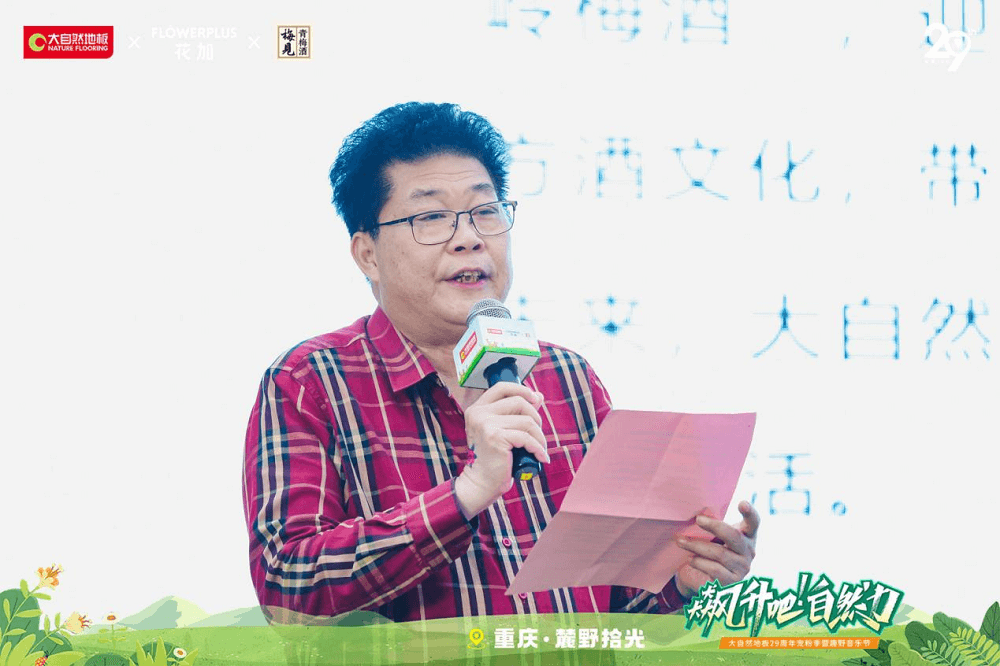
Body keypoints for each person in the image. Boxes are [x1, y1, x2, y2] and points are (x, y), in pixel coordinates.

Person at [242, 102, 759, 623]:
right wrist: (466, 494)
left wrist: (680, 580)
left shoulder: (568, 379)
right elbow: (287, 590)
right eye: (431, 217)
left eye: (485, 212)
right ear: (368, 255)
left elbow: (613, 603)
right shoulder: (310, 381)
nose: (469, 238)